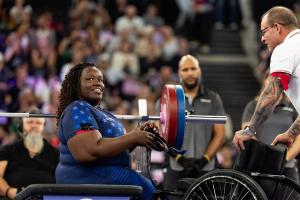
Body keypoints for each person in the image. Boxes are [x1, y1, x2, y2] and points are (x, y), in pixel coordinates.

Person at [55, 62, 159, 200]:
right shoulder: (77, 108)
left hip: (109, 176)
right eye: (90, 79)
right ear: (76, 85)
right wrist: (132, 137)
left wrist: (139, 134)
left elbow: (115, 149)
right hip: (86, 177)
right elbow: (89, 151)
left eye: (100, 80)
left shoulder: (102, 113)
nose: (97, 83)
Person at [233, 6, 300, 150]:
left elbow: (272, 93)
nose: (262, 39)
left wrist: (249, 130)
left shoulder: (285, 48)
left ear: (277, 27)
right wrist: (291, 133)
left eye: (264, 32)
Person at [163, 55, 226, 191]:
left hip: (206, 167)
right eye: (185, 69)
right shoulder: (169, 98)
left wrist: (204, 159)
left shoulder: (213, 98)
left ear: (199, 71)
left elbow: (220, 134)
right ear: (179, 73)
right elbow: (161, 133)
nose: (190, 73)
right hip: (176, 166)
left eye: (193, 68)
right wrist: (179, 157)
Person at [241, 74, 300, 183]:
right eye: (270, 77)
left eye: (278, 78)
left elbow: (299, 138)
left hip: (287, 166)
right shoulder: (253, 105)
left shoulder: (293, 105)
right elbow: (247, 133)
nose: (274, 80)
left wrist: (284, 160)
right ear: (264, 81)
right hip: (260, 166)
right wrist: (265, 158)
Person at [0, 106, 59, 199]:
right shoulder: (8, 150)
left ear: (44, 126)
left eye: (38, 123)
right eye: (30, 122)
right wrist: (8, 191)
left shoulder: (55, 153)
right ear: (21, 125)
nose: (34, 125)